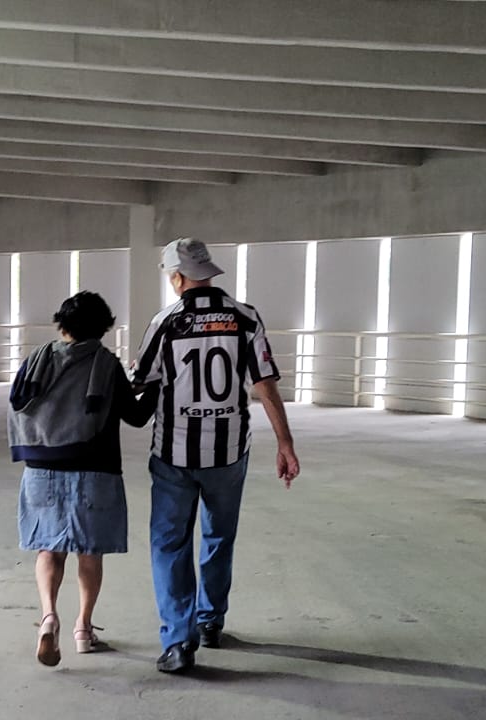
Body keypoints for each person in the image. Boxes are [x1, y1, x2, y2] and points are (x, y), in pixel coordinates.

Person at [132, 238, 302, 674]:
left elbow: (140, 379)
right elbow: (264, 384)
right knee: (219, 537)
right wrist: (285, 443)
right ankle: (210, 622)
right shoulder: (246, 317)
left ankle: (178, 641)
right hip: (228, 452)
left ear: (177, 277)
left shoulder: (166, 322)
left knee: (170, 544)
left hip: (173, 452)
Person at [8, 291, 156, 667]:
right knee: (89, 553)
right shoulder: (106, 364)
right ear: (103, 328)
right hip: (95, 469)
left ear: (61, 324)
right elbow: (137, 417)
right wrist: (154, 385)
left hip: (41, 470)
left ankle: (49, 616)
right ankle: (83, 629)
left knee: (49, 549)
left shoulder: (36, 360)